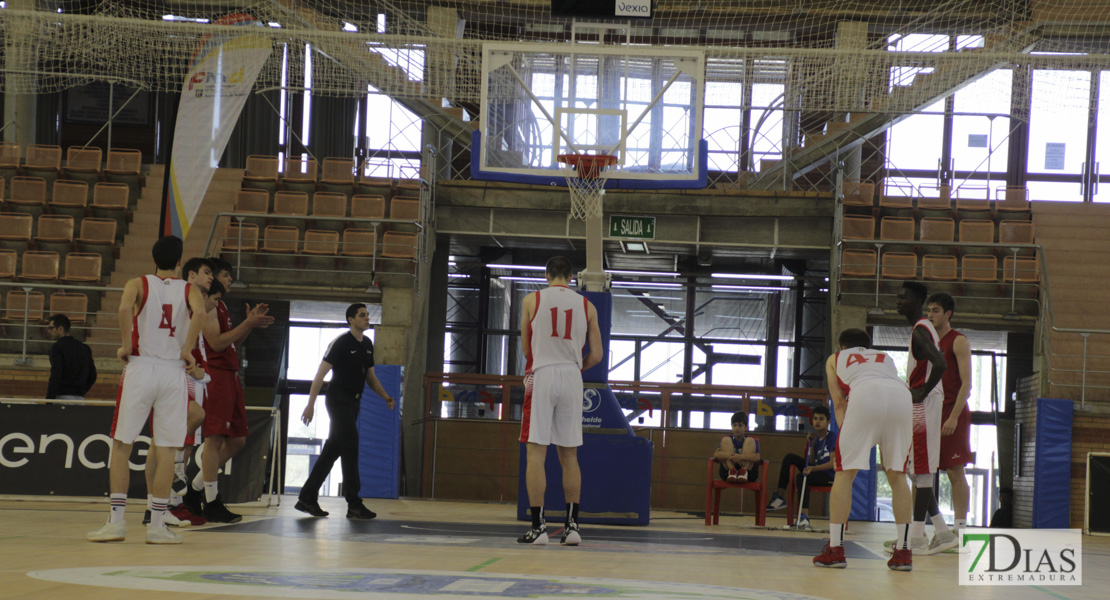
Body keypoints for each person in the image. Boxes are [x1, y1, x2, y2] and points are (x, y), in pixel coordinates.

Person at [87, 235, 205, 545]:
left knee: (123, 444)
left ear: (154, 259)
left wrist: (126, 344)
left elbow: (125, 309)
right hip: (173, 372)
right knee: (166, 449)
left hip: (141, 366)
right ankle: (156, 525)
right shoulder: (189, 289)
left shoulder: (137, 283)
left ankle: (116, 522)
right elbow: (201, 314)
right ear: (181, 262)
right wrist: (188, 349)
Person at [517, 256, 603, 546]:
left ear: (546, 275)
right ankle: (572, 527)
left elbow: (526, 346)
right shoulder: (586, 305)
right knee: (569, 456)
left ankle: (539, 527)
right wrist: (575, 368)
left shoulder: (532, 300)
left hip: (542, 372)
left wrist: (543, 362)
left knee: (535, 454)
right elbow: (598, 354)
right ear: (571, 278)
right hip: (571, 375)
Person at [812, 328, 915, 571]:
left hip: (866, 395)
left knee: (844, 473)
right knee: (898, 476)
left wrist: (843, 441)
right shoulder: (885, 358)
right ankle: (904, 552)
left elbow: (838, 401)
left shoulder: (835, 358)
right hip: (902, 397)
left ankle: (835, 549)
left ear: (843, 346)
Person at [183, 257, 273, 523]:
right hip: (215, 375)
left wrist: (247, 324)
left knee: (237, 441)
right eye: (223, 274)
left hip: (230, 375)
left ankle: (194, 490)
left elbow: (231, 343)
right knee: (215, 439)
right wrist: (248, 324)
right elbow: (217, 343)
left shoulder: (220, 304)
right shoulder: (206, 303)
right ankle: (211, 500)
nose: (228, 279)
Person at [296, 303, 395, 520]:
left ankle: (307, 497)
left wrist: (386, 396)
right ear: (351, 319)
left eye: (368, 315)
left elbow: (371, 377)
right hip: (338, 400)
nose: (367, 318)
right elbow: (320, 375)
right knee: (350, 445)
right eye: (362, 315)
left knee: (334, 449)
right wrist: (310, 404)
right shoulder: (341, 343)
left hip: (354, 403)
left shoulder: (367, 344)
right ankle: (354, 503)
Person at [144, 257, 213, 528]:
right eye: (207, 273)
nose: (210, 278)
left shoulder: (189, 300)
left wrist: (201, 373)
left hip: (178, 371)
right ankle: (166, 493)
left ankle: (159, 506)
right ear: (192, 275)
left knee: (161, 441)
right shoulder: (175, 293)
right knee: (170, 434)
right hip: (165, 369)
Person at [889, 281, 951, 556]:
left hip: (924, 403)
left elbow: (941, 364)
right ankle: (944, 533)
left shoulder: (920, 330)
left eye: (904, 297)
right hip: (927, 401)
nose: (898, 301)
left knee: (922, 471)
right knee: (919, 471)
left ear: (918, 301)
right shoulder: (922, 329)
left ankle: (915, 538)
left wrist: (921, 393)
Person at [927, 292, 973, 540]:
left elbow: (967, 384)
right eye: (929, 310)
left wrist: (954, 417)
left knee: (955, 470)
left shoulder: (958, 341)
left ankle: (960, 527)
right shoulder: (928, 341)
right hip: (930, 410)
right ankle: (918, 529)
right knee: (921, 471)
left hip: (952, 410)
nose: (930, 314)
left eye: (935, 310)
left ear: (948, 314)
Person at [766, 405, 836, 530]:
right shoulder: (817, 438)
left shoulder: (832, 437)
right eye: (815, 419)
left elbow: (832, 463)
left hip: (828, 475)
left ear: (828, 421)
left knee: (802, 477)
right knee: (789, 457)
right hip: (816, 470)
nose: (817, 421)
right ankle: (779, 498)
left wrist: (813, 469)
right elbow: (813, 460)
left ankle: (804, 517)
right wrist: (812, 443)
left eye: (821, 419)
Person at [44, 314, 96, 401]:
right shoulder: (84, 348)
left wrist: (49, 399)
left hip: (62, 397)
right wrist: (81, 391)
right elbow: (93, 375)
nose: (48, 331)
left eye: (51, 328)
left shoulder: (57, 347)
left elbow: (56, 374)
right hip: (80, 398)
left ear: (60, 328)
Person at [714, 411, 761, 484]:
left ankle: (743, 472)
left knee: (750, 440)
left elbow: (757, 457)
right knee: (726, 439)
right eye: (734, 425)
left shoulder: (751, 441)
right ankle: (732, 471)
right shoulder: (727, 439)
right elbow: (716, 454)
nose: (737, 428)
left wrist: (740, 457)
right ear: (731, 426)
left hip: (749, 472)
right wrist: (733, 456)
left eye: (740, 425)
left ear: (745, 427)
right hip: (728, 472)